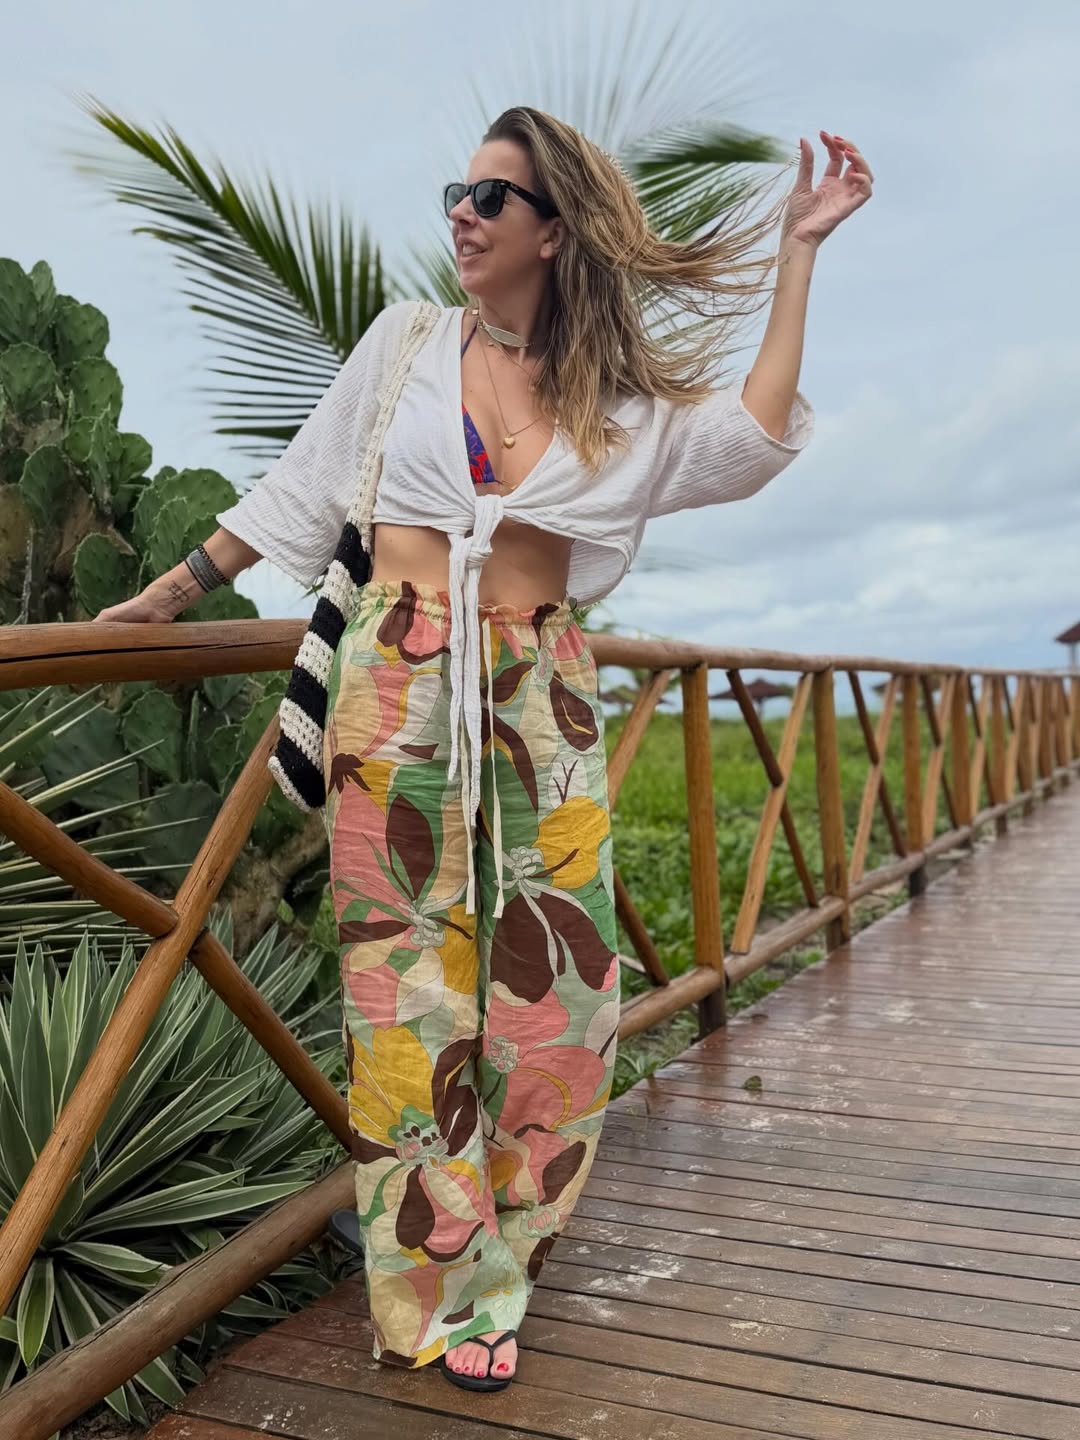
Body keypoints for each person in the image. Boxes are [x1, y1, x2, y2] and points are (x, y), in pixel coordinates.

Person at [94, 106, 872, 1391]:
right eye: (456, 194)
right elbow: (299, 486)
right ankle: (443, 1294)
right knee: (404, 993)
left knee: (564, 1000)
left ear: (554, 232)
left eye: (491, 197)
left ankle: (505, 1247)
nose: (462, 213)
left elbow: (748, 440)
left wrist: (798, 253)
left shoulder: (608, 398)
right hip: (396, 677)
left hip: (540, 686)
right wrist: (170, 593)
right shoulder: (405, 343)